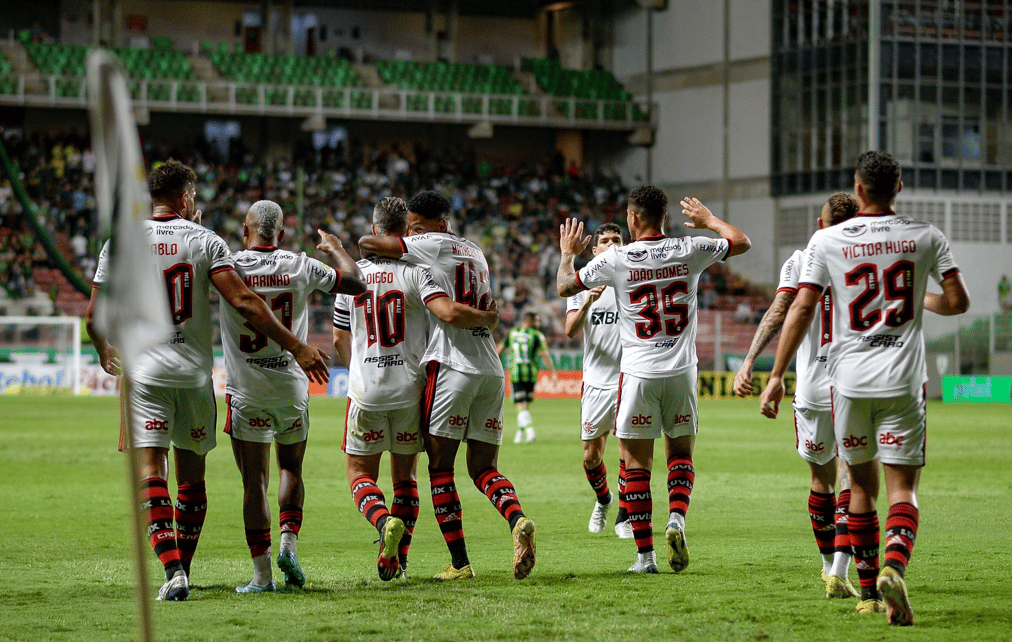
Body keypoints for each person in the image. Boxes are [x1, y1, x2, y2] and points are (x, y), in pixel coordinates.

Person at [86, 160, 330, 602]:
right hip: (194, 375)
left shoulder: (120, 242)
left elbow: (93, 317)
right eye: (194, 197)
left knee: (150, 471)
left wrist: (104, 350)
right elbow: (243, 300)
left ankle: (173, 570)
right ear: (185, 199)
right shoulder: (206, 241)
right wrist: (295, 346)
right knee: (191, 480)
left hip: (144, 374)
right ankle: (186, 566)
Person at [759, 151, 970, 625]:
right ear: (899, 188)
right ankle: (893, 567)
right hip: (902, 379)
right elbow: (958, 301)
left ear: (858, 190)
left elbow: (801, 308)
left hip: (847, 384)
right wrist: (918, 298)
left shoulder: (827, 240)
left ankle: (869, 594)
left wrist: (775, 375)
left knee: (857, 486)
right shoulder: (926, 235)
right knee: (901, 488)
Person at [557, 187, 751, 573]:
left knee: (634, 464)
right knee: (680, 456)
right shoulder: (688, 247)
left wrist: (567, 254)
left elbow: (565, 287)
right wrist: (709, 220)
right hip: (682, 372)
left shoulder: (616, 257)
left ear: (631, 218)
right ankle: (676, 520)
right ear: (665, 217)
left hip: (639, 374)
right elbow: (741, 242)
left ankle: (645, 557)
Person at [359, 190, 537, 581]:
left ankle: (460, 563)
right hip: (490, 367)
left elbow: (370, 243)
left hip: (452, 366)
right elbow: (485, 311)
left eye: (417, 227)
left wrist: (390, 241)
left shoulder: (431, 244)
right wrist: (487, 320)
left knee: (440, 470)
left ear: (439, 224)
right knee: (483, 468)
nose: (412, 234)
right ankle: (517, 520)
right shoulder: (475, 250)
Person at [333, 197, 498, 581]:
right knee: (406, 479)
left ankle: (381, 521)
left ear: (375, 230)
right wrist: (488, 317)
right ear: (405, 231)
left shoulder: (351, 277)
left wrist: (358, 371)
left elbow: (340, 337)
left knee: (359, 474)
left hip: (367, 388)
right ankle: (400, 562)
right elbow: (445, 313)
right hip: (411, 387)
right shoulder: (416, 272)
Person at [220, 200, 365, 593]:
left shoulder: (228, 267)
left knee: (254, 483)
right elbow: (355, 282)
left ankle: (262, 576)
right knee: (291, 470)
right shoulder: (300, 264)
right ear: (280, 234)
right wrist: (335, 247)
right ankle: (289, 545)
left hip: (246, 388)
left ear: (245, 232)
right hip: (291, 386)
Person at [733, 192, 861, 599]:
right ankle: (840, 570)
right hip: (854, 384)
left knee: (820, 481)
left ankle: (828, 566)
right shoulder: (865, 261)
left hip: (809, 389)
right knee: (851, 479)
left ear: (821, 225)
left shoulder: (800, 258)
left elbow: (780, 312)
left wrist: (751, 363)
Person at [563, 222, 631, 537]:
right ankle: (604, 499)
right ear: (595, 249)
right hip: (596, 381)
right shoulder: (582, 282)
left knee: (629, 453)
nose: (612, 244)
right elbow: (570, 330)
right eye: (605, 241)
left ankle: (625, 516)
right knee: (591, 457)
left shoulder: (634, 277)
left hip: (630, 377)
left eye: (617, 240)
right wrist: (589, 300)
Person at [498, 311, 558, 444]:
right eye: (536, 321)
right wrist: (552, 372)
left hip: (516, 372)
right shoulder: (537, 335)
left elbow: (499, 351)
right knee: (524, 404)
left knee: (520, 404)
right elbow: (544, 354)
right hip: (531, 373)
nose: (538, 323)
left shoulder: (512, 332)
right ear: (528, 321)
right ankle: (520, 434)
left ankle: (529, 431)